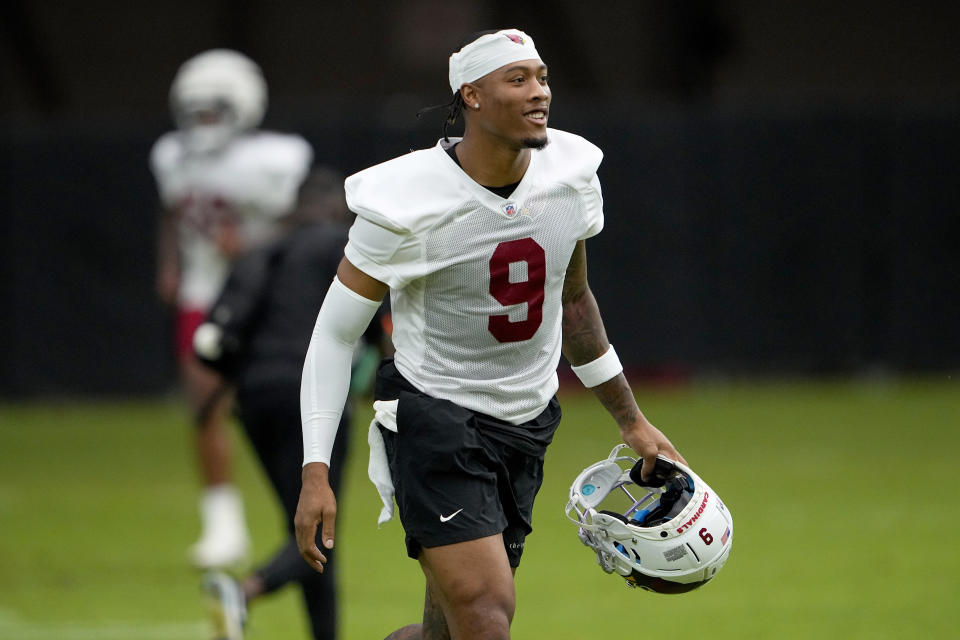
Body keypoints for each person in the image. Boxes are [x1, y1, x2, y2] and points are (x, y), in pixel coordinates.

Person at [294, 28, 686, 640]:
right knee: (486, 613)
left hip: (526, 421)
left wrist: (631, 421)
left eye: (544, 78)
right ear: (471, 96)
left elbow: (574, 300)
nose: (540, 93)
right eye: (519, 79)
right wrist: (316, 469)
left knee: (445, 633)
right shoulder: (406, 199)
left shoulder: (571, 172)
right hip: (435, 417)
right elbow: (334, 336)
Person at [193, 168, 385, 640]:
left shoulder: (260, 252)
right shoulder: (345, 247)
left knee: (307, 527)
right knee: (320, 531)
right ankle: (242, 593)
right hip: (315, 392)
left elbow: (211, 344)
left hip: (257, 397)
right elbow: (376, 329)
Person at [150, 49, 313, 569]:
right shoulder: (172, 156)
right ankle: (223, 525)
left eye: (212, 111)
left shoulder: (278, 158)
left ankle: (298, 509)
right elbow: (173, 214)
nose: (202, 124)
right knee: (204, 406)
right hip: (205, 294)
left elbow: (311, 218)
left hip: (266, 298)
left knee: (287, 412)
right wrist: (171, 262)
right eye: (195, 112)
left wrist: (251, 240)